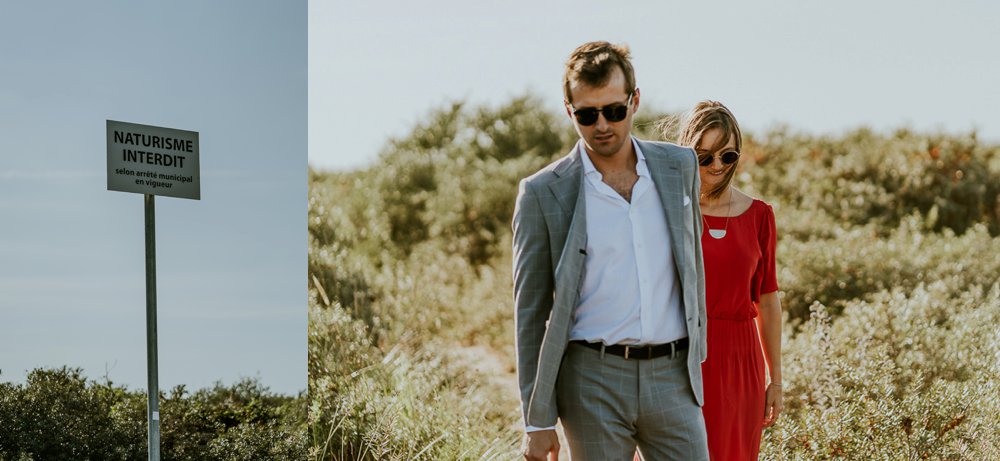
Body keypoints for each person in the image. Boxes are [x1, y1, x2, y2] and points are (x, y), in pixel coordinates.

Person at [512, 41, 709, 461]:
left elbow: (694, 267)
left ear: (634, 101)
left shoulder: (681, 167)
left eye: (614, 111)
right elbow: (529, 314)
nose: (602, 125)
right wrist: (536, 420)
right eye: (586, 114)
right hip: (591, 381)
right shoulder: (543, 192)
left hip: (674, 376)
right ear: (569, 111)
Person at [671, 101, 784, 460]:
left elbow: (767, 300)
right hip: (678, 357)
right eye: (705, 157)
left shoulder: (759, 216)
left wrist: (775, 378)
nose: (717, 166)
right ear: (688, 155)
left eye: (728, 155)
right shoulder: (669, 211)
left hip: (741, 365)